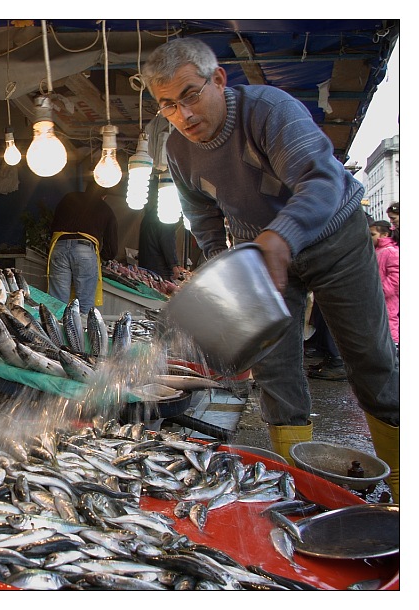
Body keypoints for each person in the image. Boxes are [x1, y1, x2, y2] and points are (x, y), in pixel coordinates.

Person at [142, 38, 399, 501]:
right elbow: (202, 214)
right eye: (167, 105)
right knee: (275, 371)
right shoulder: (180, 151)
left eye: (190, 95)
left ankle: (402, 482)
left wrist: (281, 236)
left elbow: (321, 178)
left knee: (370, 359)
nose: (183, 114)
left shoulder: (268, 109)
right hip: (257, 254)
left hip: (333, 237)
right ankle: (296, 486)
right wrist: (218, 267)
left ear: (218, 80)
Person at [47, 181, 118, 314]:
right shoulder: (105, 208)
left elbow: (52, 224)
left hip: (59, 246)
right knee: (85, 305)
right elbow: (111, 247)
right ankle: (82, 332)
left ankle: (55, 332)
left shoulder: (69, 198)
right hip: (85, 249)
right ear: (104, 196)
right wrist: (103, 257)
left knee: (57, 303)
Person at [136, 179, 190, 282]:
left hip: (146, 266)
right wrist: (174, 265)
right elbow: (167, 241)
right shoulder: (167, 214)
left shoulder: (150, 215)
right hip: (159, 271)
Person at [370, 220, 399, 354]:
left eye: (372, 234)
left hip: (387, 299)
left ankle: (394, 352)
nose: (370, 237)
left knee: (389, 323)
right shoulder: (377, 250)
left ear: (384, 234)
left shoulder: (391, 251)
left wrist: (381, 291)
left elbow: (396, 277)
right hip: (378, 298)